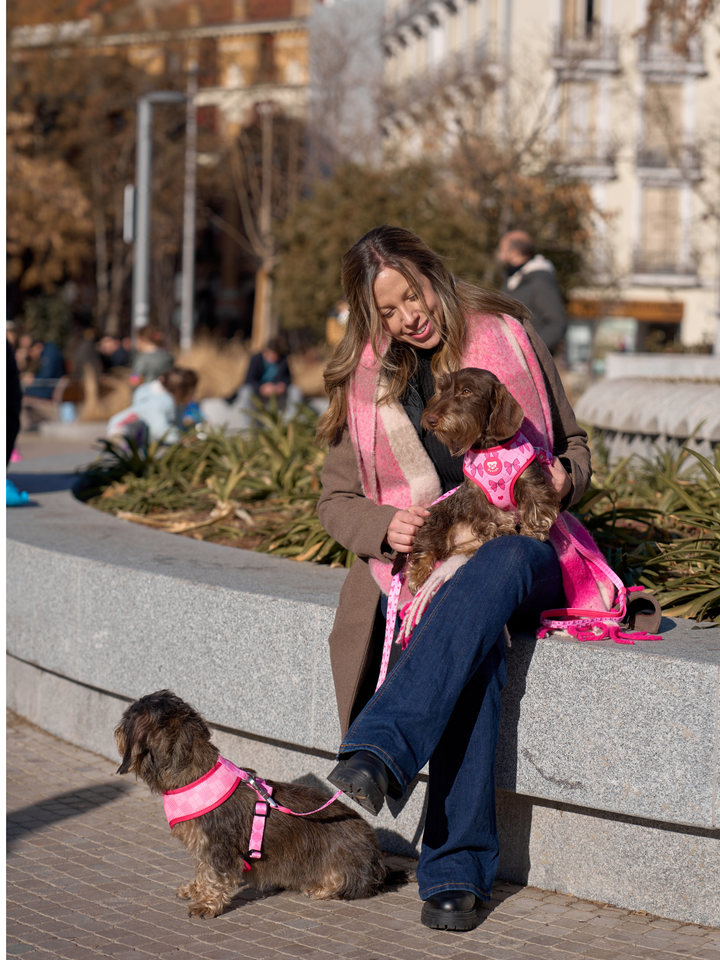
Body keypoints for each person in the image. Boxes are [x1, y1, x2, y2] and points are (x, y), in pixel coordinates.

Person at [316, 226, 592, 932]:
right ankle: (455, 871)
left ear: (432, 275)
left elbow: (574, 445)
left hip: (526, 545)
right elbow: (335, 503)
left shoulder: (509, 332)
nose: (410, 314)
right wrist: (386, 526)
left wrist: (565, 476)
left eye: (413, 293)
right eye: (389, 309)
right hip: (432, 568)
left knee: (492, 571)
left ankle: (379, 754)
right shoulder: (371, 383)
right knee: (471, 635)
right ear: (372, 318)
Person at [200, 337, 303, 432]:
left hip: (276, 392)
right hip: (258, 391)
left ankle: (291, 425)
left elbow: (288, 378)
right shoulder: (256, 359)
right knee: (244, 391)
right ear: (265, 352)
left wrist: (282, 385)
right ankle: (249, 428)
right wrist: (261, 388)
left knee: (295, 390)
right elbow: (249, 379)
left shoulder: (283, 360)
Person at [496, 230, 567, 353]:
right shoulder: (514, 279)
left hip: (532, 365)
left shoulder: (540, 282)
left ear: (513, 254)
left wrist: (530, 350)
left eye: (501, 250)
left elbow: (557, 324)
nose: (498, 255)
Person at [106, 367, 198, 449]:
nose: (192, 396)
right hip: (124, 431)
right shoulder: (157, 402)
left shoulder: (172, 401)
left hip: (134, 434)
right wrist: (181, 438)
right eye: (191, 393)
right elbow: (160, 429)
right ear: (180, 392)